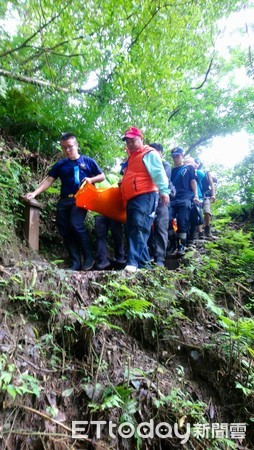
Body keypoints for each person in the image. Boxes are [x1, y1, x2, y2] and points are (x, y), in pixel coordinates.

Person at [24, 132, 105, 271]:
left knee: (76, 224)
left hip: (80, 199)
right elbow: (49, 180)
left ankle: (89, 257)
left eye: (70, 147)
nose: (67, 150)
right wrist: (35, 193)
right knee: (65, 230)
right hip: (64, 201)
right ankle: (75, 262)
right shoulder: (61, 164)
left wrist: (91, 180)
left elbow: (102, 176)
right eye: (64, 148)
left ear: (76, 145)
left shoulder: (88, 161)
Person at [120, 126, 170, 272]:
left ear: (141, 139)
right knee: (133, 229)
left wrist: (164, 191)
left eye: (133, 140)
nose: (129, 143)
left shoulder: (148, 154)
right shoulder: (132, 157)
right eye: (127, 141)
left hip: (146, 195)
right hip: (133, 197)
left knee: (139, 227)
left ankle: (133, 262)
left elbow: (159, 172)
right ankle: (145, 266)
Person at [168, 147, 199, 256]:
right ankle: (172, 245)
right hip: (172, 199)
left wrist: (195, 195)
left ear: (182, 156)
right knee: (166, 220)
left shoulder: (189, 168)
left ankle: (181, 246)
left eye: (177, 155)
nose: (175, 158)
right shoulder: (170, 171)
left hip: (185, 198)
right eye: (174, 156)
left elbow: (193, 182)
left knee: (182, 221)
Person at [94, 174, 126, 270]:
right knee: (101, 236)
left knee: (117, 234)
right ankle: (103, 261)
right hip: (99, 213)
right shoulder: (88, 182)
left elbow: (119, 187)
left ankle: (120, 258)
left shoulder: (109, 177)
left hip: (113, 211)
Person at [148, 143, 171, 266]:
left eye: (156, 151)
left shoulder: (165, 165)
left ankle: (160, 258)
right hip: (148, 197)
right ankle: (151, 254)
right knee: (147, 227)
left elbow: (163, 178)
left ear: (161, 153)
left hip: (161, 199)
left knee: (161, 226)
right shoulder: (146, 162)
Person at [194, 158, 216, 238]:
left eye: (197, 163)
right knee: (198, 213)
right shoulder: (192, 172)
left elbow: (211, 184)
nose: (196, 165)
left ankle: (207, 227)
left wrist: (213, 195)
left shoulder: (206, 172)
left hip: (206, 194)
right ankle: (200, 232)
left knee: (207, 212)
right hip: (197, 195)